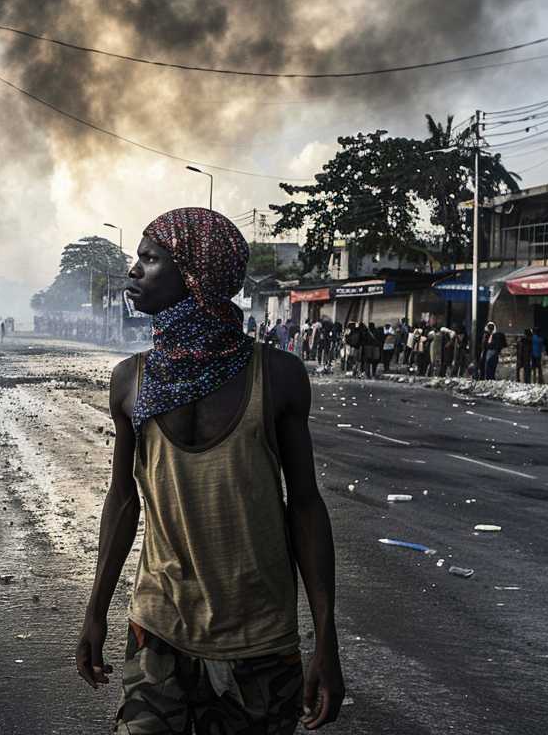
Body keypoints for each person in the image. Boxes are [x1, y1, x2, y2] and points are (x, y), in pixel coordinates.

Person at [77, 208, 343, 733]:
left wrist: (327, 639)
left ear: (195, 275)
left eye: (149, 259)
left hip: (260, 637)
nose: (133, 271)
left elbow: (305, 506)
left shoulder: (279, 376)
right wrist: (95, 611)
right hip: (158, 623)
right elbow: (123, 500)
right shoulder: (130, 381)